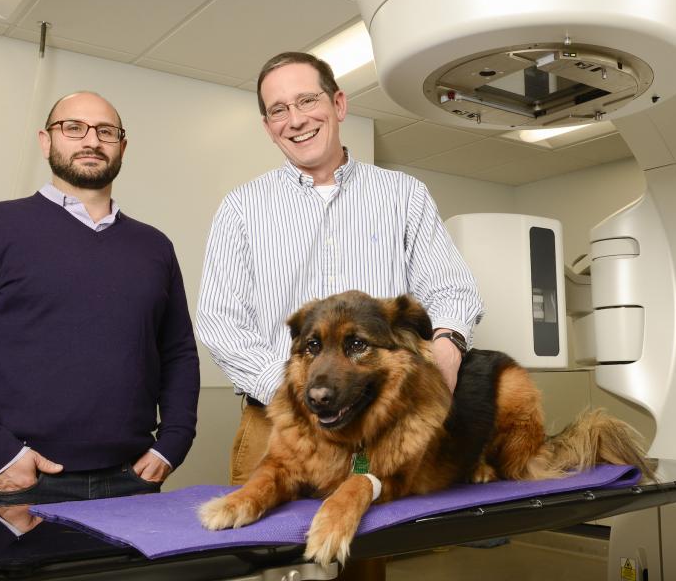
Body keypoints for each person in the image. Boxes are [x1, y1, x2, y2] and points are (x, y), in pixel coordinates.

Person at [196, 52, 483, 487]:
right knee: (263, 549)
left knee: (366, 547)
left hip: (379, 427)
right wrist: (297, 392)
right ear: (268, 126)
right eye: (278, 110)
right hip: (275, 423)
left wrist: (446, 346)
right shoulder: (241, 208)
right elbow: (220, 321)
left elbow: (451, 292)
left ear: (338, 105)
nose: (295, 119)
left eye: (307, 100)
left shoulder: (404, 196)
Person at [0, 91, 199, 508]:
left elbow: (178, 354)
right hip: (23, 481)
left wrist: (172, 443)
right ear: (46, 141)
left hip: (132, 481)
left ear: (122, 146)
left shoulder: (154, 246)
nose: (91, 141)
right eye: (73, 128)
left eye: (106, 131)